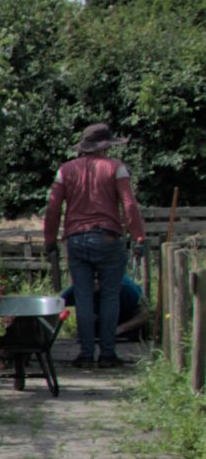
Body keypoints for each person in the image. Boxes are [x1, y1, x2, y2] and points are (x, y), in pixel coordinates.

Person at [43, 123, 145, 367]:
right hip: (107, 237)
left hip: (76, 239)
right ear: (106, 146)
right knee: (110, 297)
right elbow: (129, 205)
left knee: (83, 297)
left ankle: (86, 354)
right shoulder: (116, 168)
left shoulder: (65, 171)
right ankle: (107, 354)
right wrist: (138, 236)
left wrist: (49, 240)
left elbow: (53, 208)